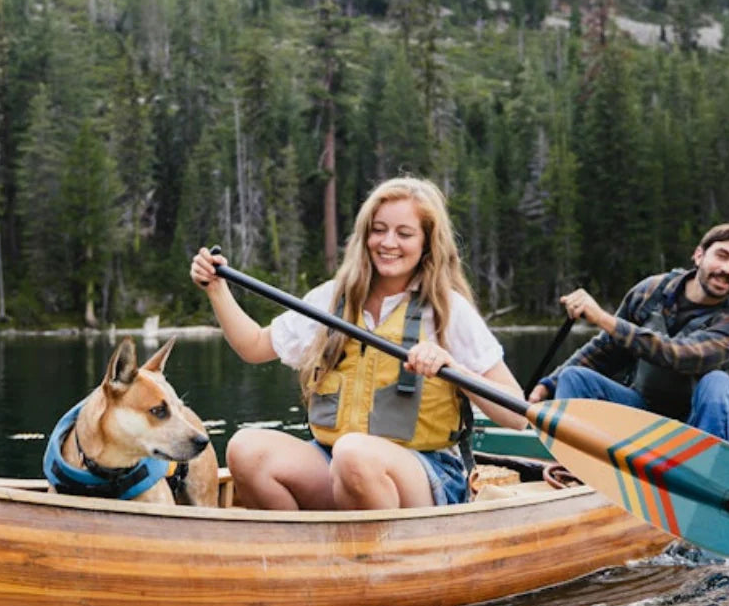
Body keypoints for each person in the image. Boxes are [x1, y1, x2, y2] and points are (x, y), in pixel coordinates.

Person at [190, 176, 527, 511]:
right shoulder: (330, 299)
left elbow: (517, 415)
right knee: (246, 448)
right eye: (378, 229)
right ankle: (302, 554)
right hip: (337, 461)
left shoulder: (447, 310)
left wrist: (453, 368)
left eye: (404, 233)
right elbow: (254, 346)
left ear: (427, 243)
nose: (388, 242)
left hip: (425, 472)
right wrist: (217, 290)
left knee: (355, 454)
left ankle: (383, 557)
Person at [530, 224, 729, 446]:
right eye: (722, 255)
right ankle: (572, 466)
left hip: (717, 424)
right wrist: (547, 386)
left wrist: (603, 319)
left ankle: (705, 476)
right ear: (699, 256)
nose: (727, 269)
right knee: (573, 378)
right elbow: (606, 350)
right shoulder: (651, 291)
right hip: (649, 413)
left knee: (716, 382)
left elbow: (682, 356)